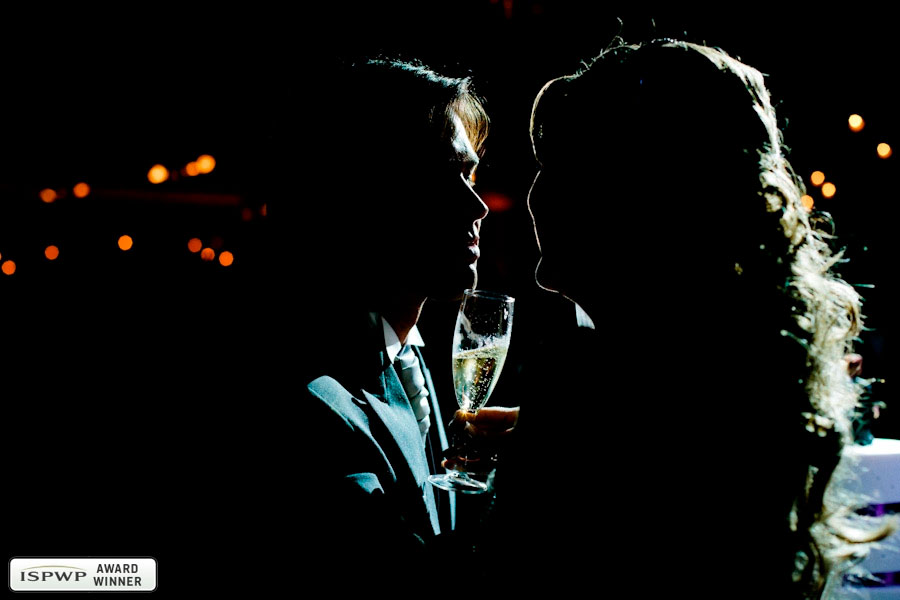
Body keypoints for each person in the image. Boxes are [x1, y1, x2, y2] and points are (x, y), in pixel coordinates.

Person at [472, 38, 895, 598]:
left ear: (633, 199)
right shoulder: (745, 376)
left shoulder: (582, 386)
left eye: (557, 167)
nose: (535, 195)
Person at [272, 56, 498, 581]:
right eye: (445, 176)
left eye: (469, 174)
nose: (477, 206)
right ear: (372, 191)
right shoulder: (318, 404)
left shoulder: (406, 359)